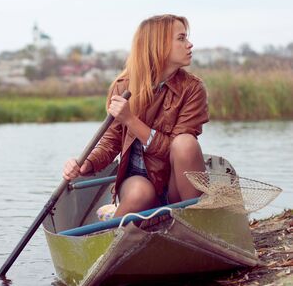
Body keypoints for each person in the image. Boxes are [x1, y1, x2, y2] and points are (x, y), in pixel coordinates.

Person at [63, 14, 209, 218]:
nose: (190, 44)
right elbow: (111, 141)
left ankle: (196, 221)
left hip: (177, 182)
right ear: (159, 45)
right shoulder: (122, 86)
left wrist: (130, 120)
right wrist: (86, 163)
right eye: (181, 38)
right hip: (138, 178)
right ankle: (112, 232)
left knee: (185, 143)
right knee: (140, 192)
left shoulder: (193, 88)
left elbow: (174, 150)